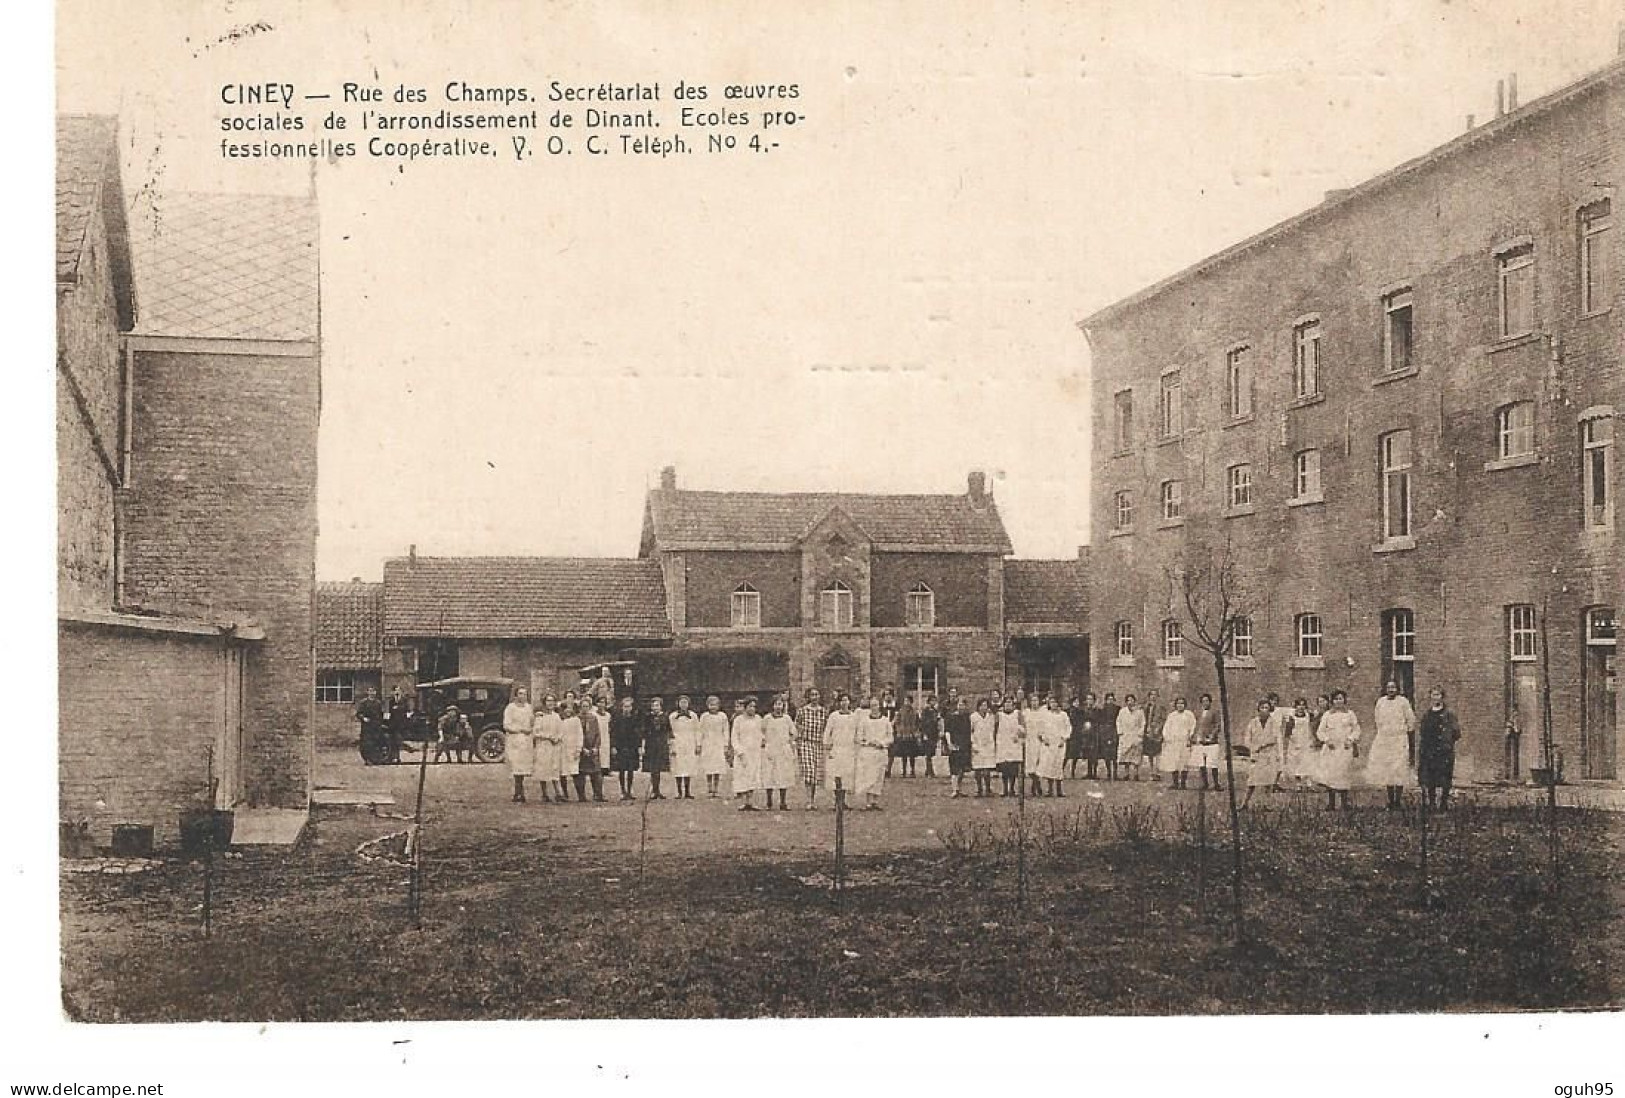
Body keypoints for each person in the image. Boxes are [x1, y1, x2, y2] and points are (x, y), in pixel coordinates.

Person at [1368, 680, 1418, 810]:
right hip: (1385, 740)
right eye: (1388, 687)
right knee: (1388, 769)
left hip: (1399, 740)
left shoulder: (1403, 702)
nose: (1391, 689)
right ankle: (1391, 800)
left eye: (1393, 687)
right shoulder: (1381, 702)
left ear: (1397, 688)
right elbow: (1377, 719)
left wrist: (1402, 732)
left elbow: (1411, 720)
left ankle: (1398, 800)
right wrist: (1384, 733)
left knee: (1399, 768)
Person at [1315, 689, 1362, 810]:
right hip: (1331, 748)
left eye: (1340, 699)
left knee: (1343, 774)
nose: (1338, 701)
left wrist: (1350, 739)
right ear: (1332, 701)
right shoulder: (1327, 715)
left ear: (1344, 700)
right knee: (1331, 775)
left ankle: (1344, 803)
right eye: (1336, 699)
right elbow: (1320, 731)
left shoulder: (1350, 714)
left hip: (1345, 748)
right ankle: (1331, 803)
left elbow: (1356, 729)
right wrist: (1326, 740)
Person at [1416, 686, 1461, 810]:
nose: (1435, 697)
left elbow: (1456, 732)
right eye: (1433, 695)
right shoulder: (1427, 715)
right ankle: (1431, 803)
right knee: (1430, 776)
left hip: (1444, 750)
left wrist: (1447, 743)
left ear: (1442, 697)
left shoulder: (1449, 714)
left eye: (1438, 695)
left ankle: (1443, 803)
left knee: (1445, 776)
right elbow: (1422, 731)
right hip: (1430, 750)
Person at [823, 694, 862, 806]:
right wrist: (827, 744)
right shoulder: (833, 716)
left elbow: (857, 732)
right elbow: (828, 731)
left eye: (846, 700)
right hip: (836, 748)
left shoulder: (854, 716)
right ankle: (837, 800)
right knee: (836, 774)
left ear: (849, 702)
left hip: (849, 749)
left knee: (846, 775)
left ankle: (843, 800)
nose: (844, 703)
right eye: (842, 701)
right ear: (839, 703)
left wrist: (857, 744)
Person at [793, 687, 829, 810]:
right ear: (808, 697)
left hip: (818, 744)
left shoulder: (823, 712)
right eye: (812, 695)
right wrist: (800, 734)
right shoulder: (802, 711)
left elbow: (826, 727)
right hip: (806, 743)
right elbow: (796, 725)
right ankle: (809, 800)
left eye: (816, 694)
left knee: (816, 773)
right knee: (809, 771)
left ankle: (813, 800)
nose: (814, 697)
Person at [856, 695, 894, 810]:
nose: (874, 708)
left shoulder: (885, 720)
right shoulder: (864, 721)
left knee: (879, 776)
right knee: (869, 776)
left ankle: (875, 801)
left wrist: (882, 743)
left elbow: (890, 737)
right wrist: (869, 742)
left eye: (876, 705)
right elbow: (859, 737)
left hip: (881, 752)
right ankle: (868, 802)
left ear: (880, 706)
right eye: (872, 705)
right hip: (868, 752)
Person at [1241, 699, 1280, 808]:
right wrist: (1252, 747)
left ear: (1269, 710)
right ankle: (1244, 803)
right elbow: (1247, 738)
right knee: (1251, 781)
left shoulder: (1273, 723)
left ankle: (1267, 804)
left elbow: (1274, 737)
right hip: (1256, 755)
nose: (1264, 710)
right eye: (1262, 708)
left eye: (1266, 708)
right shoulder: (1253, 722)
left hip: (1268, 754)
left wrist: (1262, 745)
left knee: (1268, 782)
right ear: (1258, 709)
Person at [761, 695, 797, 810]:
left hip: (783, 750)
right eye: (776, 704)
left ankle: (783, 802)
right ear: (772, 706)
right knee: (769, 776)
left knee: (783, 776)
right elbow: (761, 731)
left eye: (780, 704)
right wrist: (764, 742)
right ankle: (769, 802)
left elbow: (794, 732)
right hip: (771, 749)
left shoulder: (787, 718)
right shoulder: (767, 718)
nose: (778, 707)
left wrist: (789, 742)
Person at [502, 687, 536, 803]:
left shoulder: (528, 708)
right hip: (514, 739)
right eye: (520, 694)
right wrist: (520, 729)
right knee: (516, 766)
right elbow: (506, 725)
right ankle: (518, 792)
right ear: (516, 695)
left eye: (525, 694)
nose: (523, 696)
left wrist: (531, 728)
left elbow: (532, 722)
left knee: (523, 767)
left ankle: (520, 792)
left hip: (526, 741)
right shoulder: (510, 708)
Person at [731, 697, 765, 810]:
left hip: (754, 752)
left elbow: (761, 733)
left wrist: (762, 741)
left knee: (753, 775)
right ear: (745, 708)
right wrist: (739, 751)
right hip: (743, 752)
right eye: (750, 706)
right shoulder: (738, 720)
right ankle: (745, 801)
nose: (752, 709)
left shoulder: (758, 719)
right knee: (742, 775)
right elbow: (734, 737)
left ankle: (751, 801)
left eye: (754, 706)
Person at [1158, 696, 1197, 789]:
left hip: (1184, 741)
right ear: (1175, 705)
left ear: (1185, 705)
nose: (1180, 705)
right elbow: (1166, 728)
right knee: (1174, 762)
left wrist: (1190, 737)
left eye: (1182, 703)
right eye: (1178, 703)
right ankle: (1175, 783)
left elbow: (1193, 727)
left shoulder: (1189, 715)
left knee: (1184, 762)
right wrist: (1167, 738)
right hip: (1173, 742)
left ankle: (1183, 783)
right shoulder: (1172, 715)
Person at [1278, 698, 1314, 794]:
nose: (1301, 707)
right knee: (1296, 763)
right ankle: (1298, 784)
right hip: (1295, 743)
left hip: (1306, 741)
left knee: (1307, 762)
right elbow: (1287, 733)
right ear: (1295, 707)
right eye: (1299, 705)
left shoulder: (1308, 716)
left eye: (1303, 705)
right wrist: (1291, 742)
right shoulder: (1291, 718)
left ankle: (1307, 783)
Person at [609, 695, 641, 800]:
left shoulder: (635, 718)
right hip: (620, 747)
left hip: (631, 747)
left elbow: (638, 734)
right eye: (625, 706)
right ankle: (623, 791)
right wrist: (613, 746)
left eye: (629, 706)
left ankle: (629, 790)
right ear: (622, 707)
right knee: (622, 770)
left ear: (631, 707)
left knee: (631, 770)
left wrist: (639, 746)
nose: (627, 709)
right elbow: (613, 733)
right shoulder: (617, 719)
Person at [533, 695, 564, 803]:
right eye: (548, 701)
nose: (550, 703)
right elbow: (536, 732)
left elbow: (561, 730)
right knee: (543, 769)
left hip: (554, 746)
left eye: (552, 701)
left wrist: (557, 738)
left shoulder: (556, 716)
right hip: (543, 745)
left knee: (555, 768)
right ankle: (544, 793)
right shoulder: (540, 717)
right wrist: (548, 736)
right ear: (544, 703)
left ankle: (558, 793)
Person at [669, 695, 701, 799]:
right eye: (681, 702)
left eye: (685, 702)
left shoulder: (693, 715)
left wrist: (698, 744)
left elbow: (697, 730)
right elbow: (670, 732)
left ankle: (687, 791)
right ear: (678, 703)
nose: (683, 705)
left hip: (689, 743)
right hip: (677, 743)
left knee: (688, 767)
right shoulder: (673, 716)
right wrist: (672, 745)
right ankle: (679, 792)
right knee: (678, 767)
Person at [699, 696, 731, 798]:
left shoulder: (722, 716)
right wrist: (699, 744)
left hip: (718, 743)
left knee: (717, 767)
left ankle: (716, 789)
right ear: (707, 705)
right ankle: (709, 789)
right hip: (707, 743)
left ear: (719, 705)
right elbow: (700, 731)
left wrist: (726, 744)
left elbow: (726, 730)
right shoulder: (704, 716)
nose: (713, 707)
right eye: (711, 705)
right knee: (709, 767)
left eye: (715, 705)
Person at [1037, 695, 1069, 796]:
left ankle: (1059, 790)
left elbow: (1068, 727)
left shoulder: (1063, 715)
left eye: (1055, 702)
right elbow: (1040, 728)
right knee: (1049, 766)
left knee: (1058, 765)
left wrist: (1063, 738)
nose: (1053, 704)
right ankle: (1050, 790)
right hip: (1049, 743)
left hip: (1059, 743)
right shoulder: (1045, 715)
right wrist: (1043, 738)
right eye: (1051, 702)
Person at [641, 696, 671, 800]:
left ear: (661, 706)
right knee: (653, 769)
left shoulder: (665, 717)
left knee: (659, 768)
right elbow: (644, 731)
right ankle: (655, 790)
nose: (655, 707)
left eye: (657, 705)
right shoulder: (648, 717)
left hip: (661, 744)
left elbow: (668, 730)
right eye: (653, 705)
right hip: (651, 744)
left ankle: (658, 791)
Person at [943, 696, 974, 797]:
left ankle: (959, 789)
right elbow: (947, 731)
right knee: (954, 768)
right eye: (959, 705)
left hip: (965, 745)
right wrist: (949, 744)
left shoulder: (967, 718)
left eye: (963, 705)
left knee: (962, 768)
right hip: (955, 744)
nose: (961, 707)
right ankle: (954, 790)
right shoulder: (951, 717)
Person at [995, 697, 1025, 796]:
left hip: (1014, 744)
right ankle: (1004, 789)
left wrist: (1019, 735)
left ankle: (1012, 789)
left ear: (1013, 705)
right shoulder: (999, 715)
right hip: (1003, 743)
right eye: (1006, 703)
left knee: (1013, 768)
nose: (1008, 705)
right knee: (1004, 768)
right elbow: (995, 729)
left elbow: (1023, 728)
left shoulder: (1017, 714)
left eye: (1010, 703)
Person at [578, 699, 606, 802]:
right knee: (581, 774)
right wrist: (582, 748)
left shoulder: (593, 718)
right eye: (583, 706)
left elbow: (598, 734)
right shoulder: (577, 719)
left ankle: (598, 794)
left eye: (587, 706)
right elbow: (575, 735)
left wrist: (595, 747)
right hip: (582, 749)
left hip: (593, 749)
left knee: (597, 773)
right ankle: (581, 796)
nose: (585, 708)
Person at [1192, 694, 1222, 790]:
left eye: (1207, 701)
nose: (1205, 703)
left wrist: (1211, 736)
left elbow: (1217, 726)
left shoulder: (1215, 712)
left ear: (1210, 702)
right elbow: (1197, 726)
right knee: (1202, 764)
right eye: (1203, 701)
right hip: (1201, 742)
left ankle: (1216, 784)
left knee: (1213, 764)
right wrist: (1196, 737)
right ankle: (1205, 783)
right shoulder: (1199, 713)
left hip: (1211, 742)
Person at [970, 698, 998, 797]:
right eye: (982, 705)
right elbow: (971, 731)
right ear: (978, 706)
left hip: (988, 745)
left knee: (987, 769)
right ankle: (979, 789)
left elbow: (994, 729)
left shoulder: (991, 717)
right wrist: (973, 744)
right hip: (977, 744)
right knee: (978, 768)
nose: (984, 707)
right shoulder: (973, 717)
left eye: (986, 705)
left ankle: (988, 789)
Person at [558, 701, 585, 802]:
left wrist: (578, 749)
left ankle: (581, 795)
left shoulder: (576, 720)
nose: (568, 711)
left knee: (575, 772)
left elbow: (580, 735)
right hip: (562, 749)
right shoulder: (559, 720)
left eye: (570, 708)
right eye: (565, 708)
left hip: (573, 748)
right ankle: (564, 794)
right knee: (563, 772)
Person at [1115, 694, 1146, 781]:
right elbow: (1118, 722)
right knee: (1126, 756)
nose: (1130, 702)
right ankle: (1126, 773)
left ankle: (1136, 774)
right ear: (1126, 702)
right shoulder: (1122, 711)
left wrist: (1140, 734)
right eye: (1128, 700)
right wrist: (1120, 732)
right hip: (1126, 735)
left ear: (1134, 701)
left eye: (1132, 700)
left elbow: (1143, 723)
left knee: (1136, 756)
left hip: (1136, 735)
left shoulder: (1139, 712)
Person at [891, 696, 919, 777]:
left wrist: (916, 732)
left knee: (912, 754)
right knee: (903, 754)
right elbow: (897, 722)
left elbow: (917, 723)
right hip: (903, 735)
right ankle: (904, 771)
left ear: (911, 702)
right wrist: (899, 731)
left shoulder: (914, 712)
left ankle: (912, 770)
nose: (906, 703)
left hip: (911, 735)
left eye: (908, 701)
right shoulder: (900, 711)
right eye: (905, 701)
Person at [1142, 689, 1166, 781]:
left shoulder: (1161, 708)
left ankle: (1158, 771)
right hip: (1147, 732)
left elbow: (1163, 720)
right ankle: (1152, 771)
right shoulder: (1146, 707)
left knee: (1157, 753)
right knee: (1150, 753)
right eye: (1151, 695)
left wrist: (1158, 728)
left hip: (1157, 733)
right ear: (1149, 697)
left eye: (1155, 695)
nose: (1153, 696)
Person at [1097, 692, 1121, 780]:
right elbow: (1101, 723)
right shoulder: (1102, 710)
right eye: (1108, 699)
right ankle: (1108, 772)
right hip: (1105, 732)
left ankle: (1115, 773)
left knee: (1114, 754)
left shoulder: (1118, 709)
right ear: (1106, 700)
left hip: (1115, 731)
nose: (1110, 701)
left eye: (1112, 699)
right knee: (1106, 754)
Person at [918, 694, 942, 778]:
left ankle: (927, 770)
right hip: (927, 733)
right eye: (932, 700)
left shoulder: (935, 711)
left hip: (933, 734)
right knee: (928, 753)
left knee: (932, 752)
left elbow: (938, 722)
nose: (933, 702)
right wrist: (924, 734)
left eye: (935, 701)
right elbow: (922, 723)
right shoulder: (925, 711)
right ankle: (930, 771)